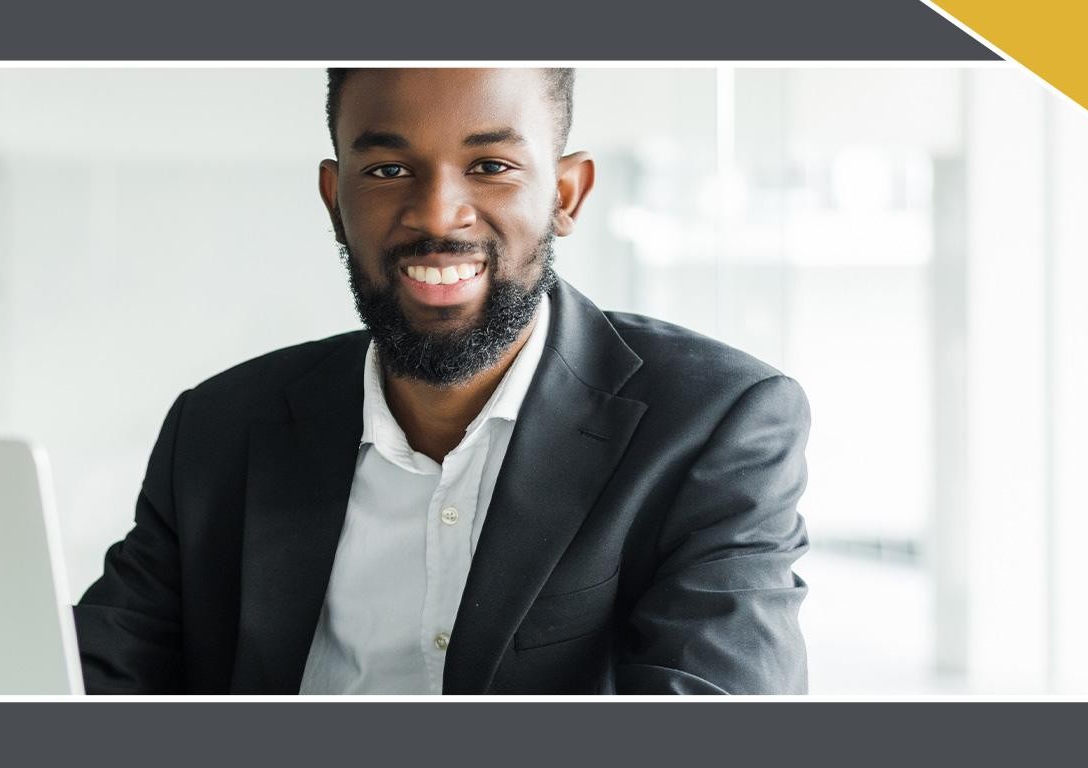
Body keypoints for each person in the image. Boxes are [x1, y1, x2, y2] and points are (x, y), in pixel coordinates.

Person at [74, 68, 810, 694]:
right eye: (389, 170)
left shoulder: (715, 422)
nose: (435, 214)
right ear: (336, 201)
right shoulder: (221, 425)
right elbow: (85, 682)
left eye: (490, 166)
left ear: (566, 195)